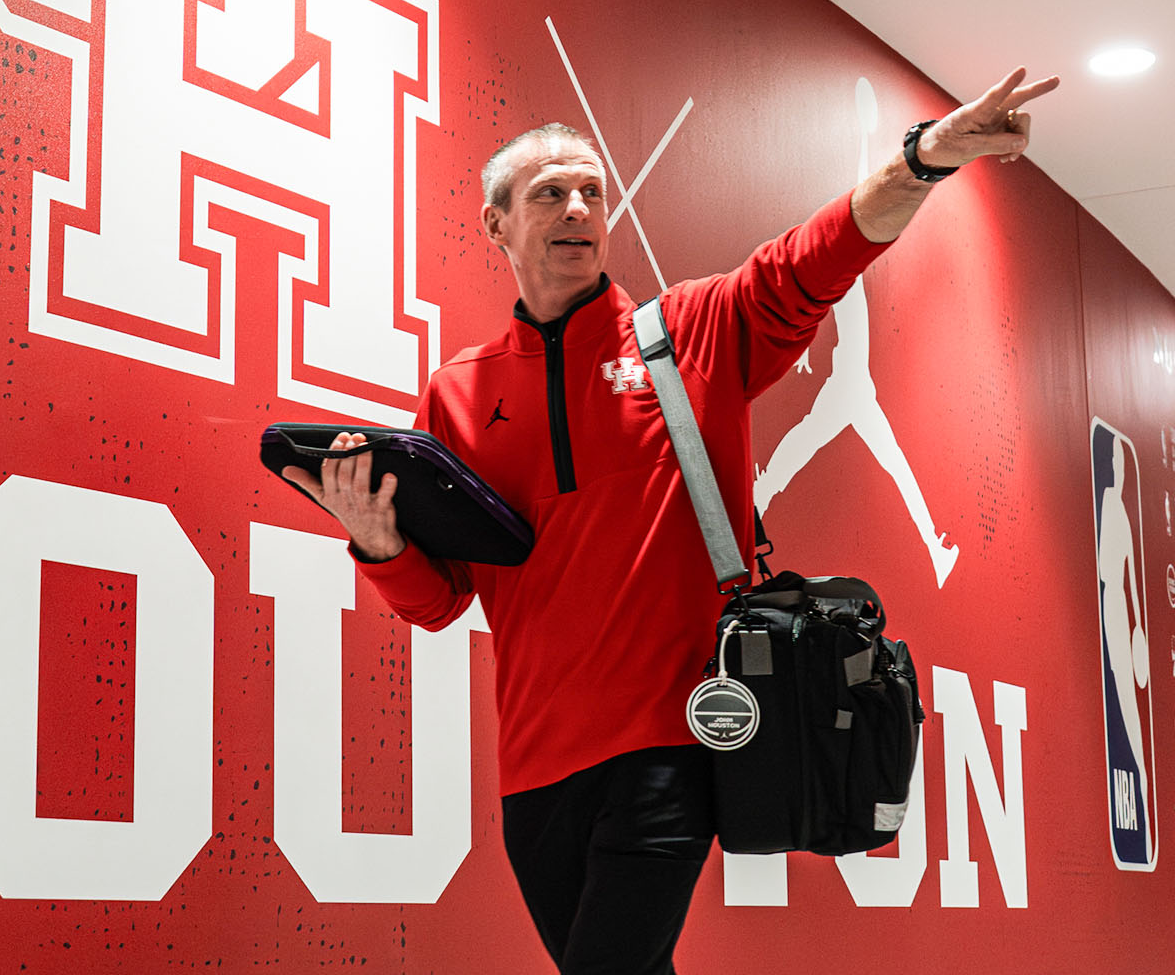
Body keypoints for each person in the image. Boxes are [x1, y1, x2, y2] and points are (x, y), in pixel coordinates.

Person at [282, 67, 1058, 973]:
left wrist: (921, 163)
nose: (578, 206)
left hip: (671, 742)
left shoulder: (687, 332)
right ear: (497, 224)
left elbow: (809, 262)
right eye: (550, 193)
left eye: (591, 191)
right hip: (532, 775)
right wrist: (376, 541)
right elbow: (439, 602)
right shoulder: (457, 393)